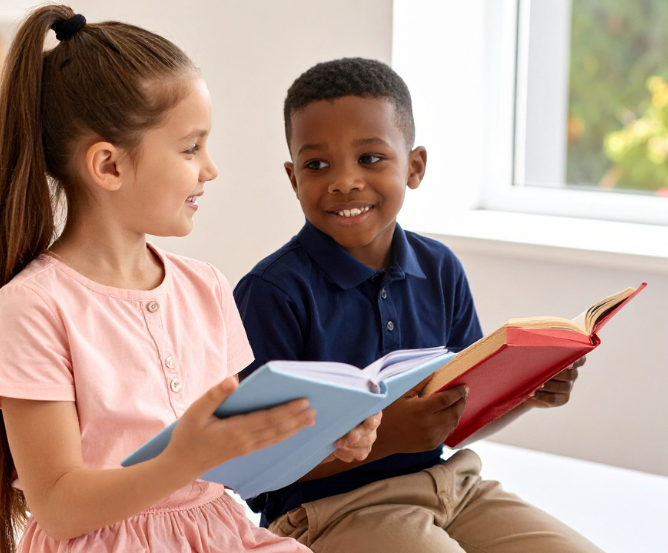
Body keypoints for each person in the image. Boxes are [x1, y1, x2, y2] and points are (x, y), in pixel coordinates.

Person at [0, 9, 378, 553]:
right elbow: (57, 507)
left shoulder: (206, 287)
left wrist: (323, 436)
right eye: (190, 147)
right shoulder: (35, 307)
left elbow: (236, 456)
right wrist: (182, 460)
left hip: (218, 533)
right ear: (109, 166)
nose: (210, 168)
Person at [234, 57, 600, 553]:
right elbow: (254, 469)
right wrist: (388, 435)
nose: (344, 181)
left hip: (452, 487)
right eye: (317, 165)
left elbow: (458, 417)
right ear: (293, 177)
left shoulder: (440, 267)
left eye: (369, 158)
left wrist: (526, 391)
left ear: (414, 166)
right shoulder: (272, 293)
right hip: (332, 511)